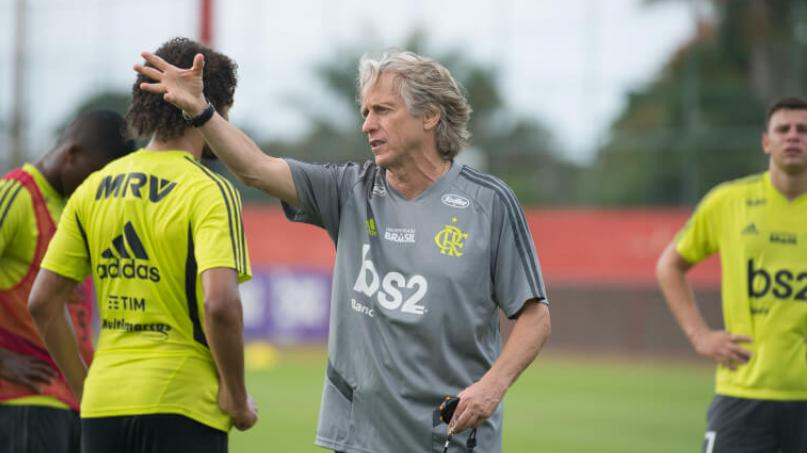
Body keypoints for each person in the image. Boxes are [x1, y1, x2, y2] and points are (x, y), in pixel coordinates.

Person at [135, 48, 551, 452]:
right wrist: (201, 111)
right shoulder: (348, 189)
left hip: (452, 437)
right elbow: (256, 169)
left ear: (429, 115)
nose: (367, 124)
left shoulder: (490, 203)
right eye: (365, 112)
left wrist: (491, 388)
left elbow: (535, 316)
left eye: (383, 111)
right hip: (358, 439)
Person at [28, 37, 257, 453]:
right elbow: (220, 305)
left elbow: (42, 301)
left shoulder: (93, 188)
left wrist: (86, 388)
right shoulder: (209, 190)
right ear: (213, 111)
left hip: (103, 406)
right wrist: (236, 398)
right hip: (185, 405)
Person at [656, 97, 807, 453]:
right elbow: (670, 266)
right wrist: (700, 336)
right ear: (766, 142)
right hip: (743, 395)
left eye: (803, 130)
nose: (793, 136)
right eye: (783, 129)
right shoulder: (728, 202)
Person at [0, 109, 134, 452]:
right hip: (26, 401)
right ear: (72, 154)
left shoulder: (77, 211)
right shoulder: (15, 194)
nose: (99, 189)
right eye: (96, 176)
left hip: (75, 400)